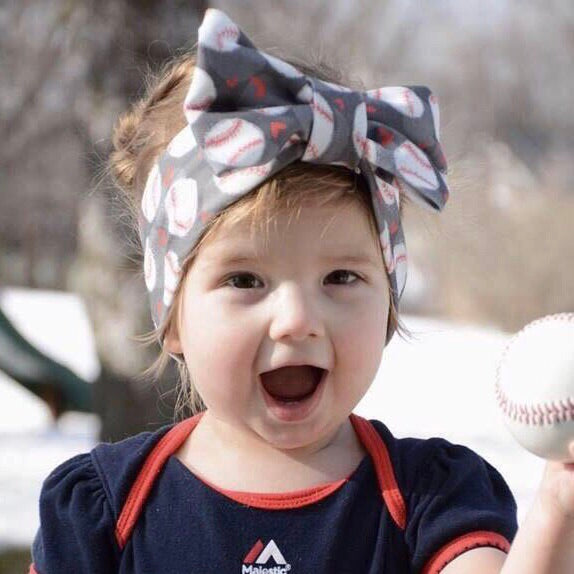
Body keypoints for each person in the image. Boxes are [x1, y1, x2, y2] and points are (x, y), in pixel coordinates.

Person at [29, 9, 574, 574]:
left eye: (341, 277)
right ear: (172, 317)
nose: (296, 320)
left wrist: (560, 505)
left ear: (387, 304)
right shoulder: (106, 509)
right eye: (245, 280)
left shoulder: (428, 500)